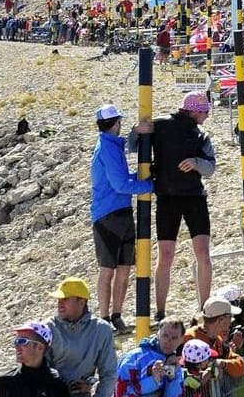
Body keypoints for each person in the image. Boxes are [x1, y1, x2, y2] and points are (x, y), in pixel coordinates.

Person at [151, 92, 217, 320]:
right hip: (167, 197)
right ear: (194, 110)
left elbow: (210, 168)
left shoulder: (201, 136)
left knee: (203, 253)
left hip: (194, 197)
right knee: (165, 256)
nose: (207, 116)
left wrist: (196, 163)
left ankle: (205, 308)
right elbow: (134, 142)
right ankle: (160, 311)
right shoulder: (160, 126)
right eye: (205, 112)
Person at [90, 103, 151, 331]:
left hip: (118, 212)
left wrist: (141, 178)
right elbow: (121, 184)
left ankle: (115, 316)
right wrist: (149, 184)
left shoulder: (110, 145)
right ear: (116, 123)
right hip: (109, 215)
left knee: (122, 268)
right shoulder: (108, 148)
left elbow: (121, 180)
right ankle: (106, 318)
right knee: (110, 269)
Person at [48, 278, 117, 397]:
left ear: (81, 302)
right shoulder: (48, 328)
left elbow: (109, 373)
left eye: (65, 299)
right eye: (58, 299)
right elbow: (37, 370)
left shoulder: (101, 330)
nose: (59, 303)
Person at [0, 320, 71, 397]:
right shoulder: (3, 384)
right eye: (16, 341)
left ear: (40, 347)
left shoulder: (56, 384)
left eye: (22, 341)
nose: (16, 346)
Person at [113, 316, 187, 397]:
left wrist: (171, 379)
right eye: (165, 335)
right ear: (158, 335)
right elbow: (120, 391)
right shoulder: (134, 359)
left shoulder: (174, 362)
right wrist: (153, 380)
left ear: (181, 340)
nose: (168, 341)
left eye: (174, 338)